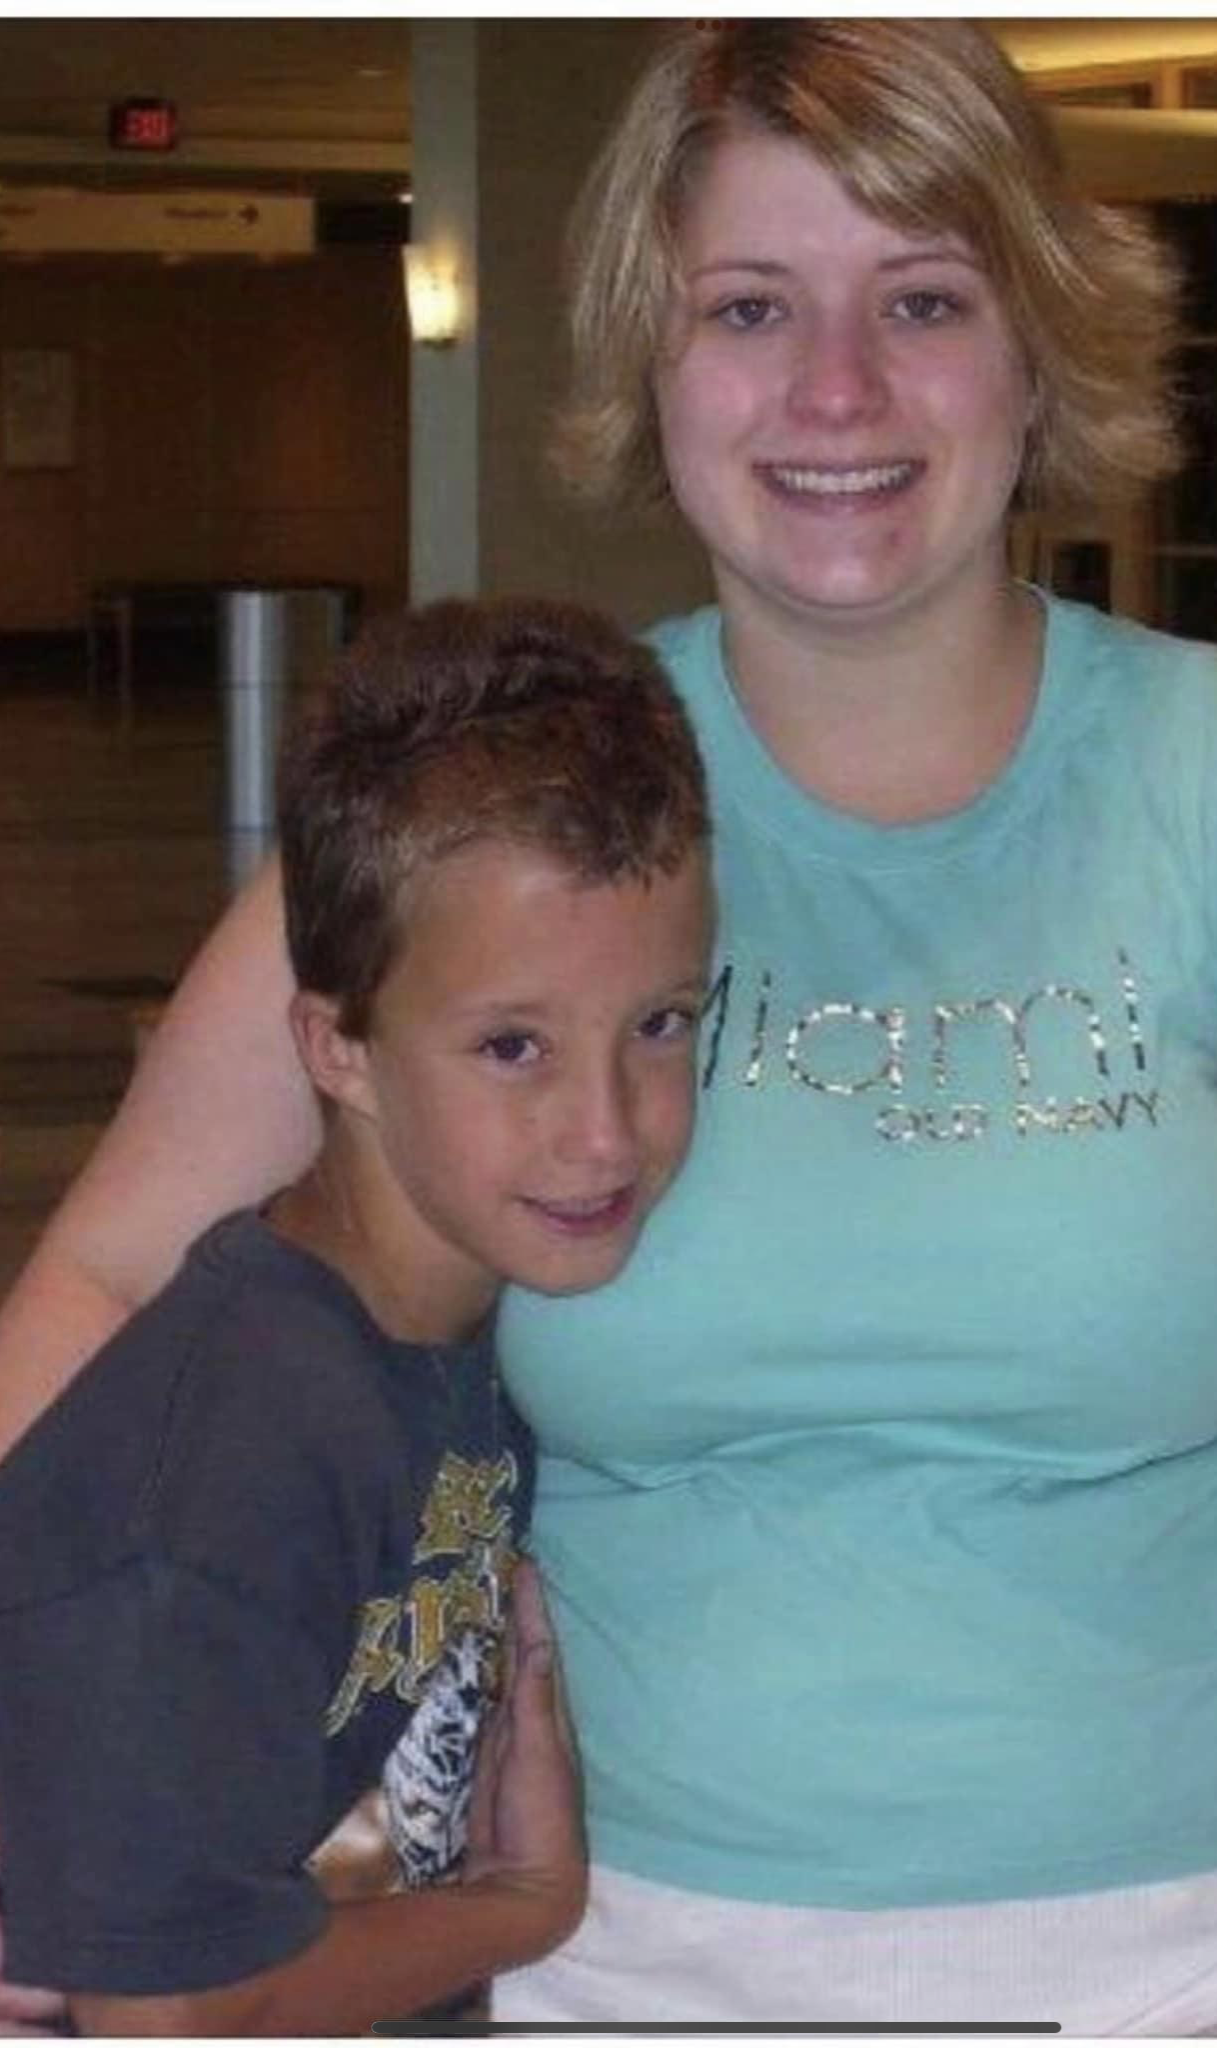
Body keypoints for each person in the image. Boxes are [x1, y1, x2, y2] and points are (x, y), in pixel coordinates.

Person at [2, 17, 1217, 2037]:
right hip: (626, 1956)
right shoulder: (496, 810)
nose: (832, 390)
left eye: (920, 301)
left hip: (1212, 1956)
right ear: (649, 362)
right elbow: (111, 1271)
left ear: (1035, 343)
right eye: (749, 308)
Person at [0, 597, 713, 2035]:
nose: (605, 1135)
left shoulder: (418, 1343)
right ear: (337, 1046)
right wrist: (521, 1910)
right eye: (512, 1046)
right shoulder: (236, 1462)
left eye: (661, 1024)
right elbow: (170, 2019)